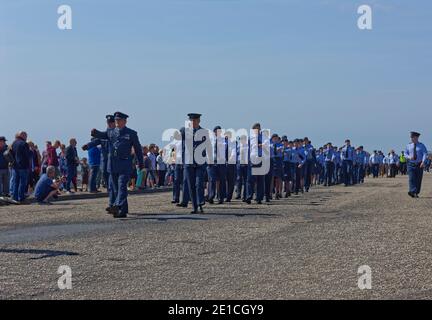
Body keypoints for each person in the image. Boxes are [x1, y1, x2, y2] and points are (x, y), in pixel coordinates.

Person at [89, 112, 144, 218]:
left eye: (119, 120)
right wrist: (95, 133)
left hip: (125, 164)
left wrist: (140, 163)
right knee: (115, 189)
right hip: (112, 165)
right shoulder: (111, 132)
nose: (117, 122)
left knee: (122, 186)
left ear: (125, 121)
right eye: (116, 120)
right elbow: (101, 135)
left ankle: (117, 206)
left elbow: (138, 149)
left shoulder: (131, 133)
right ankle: (122, 211)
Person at [183, 113, 211, 214]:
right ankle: (195, 206)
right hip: (189, 162)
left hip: (200, 162)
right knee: (191, 185)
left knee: (199, 183)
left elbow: (208, 146)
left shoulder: (204, 132)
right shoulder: (185, 132)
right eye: (191, 121)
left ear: (199, 121)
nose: (193, 122)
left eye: (195, 120)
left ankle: (200, 202)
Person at [405, 131, 428, 198]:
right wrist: (409, 157)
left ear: (417, 137)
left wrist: (423, 162)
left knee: (418, 179)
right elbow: (405, 154)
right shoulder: (408, 145)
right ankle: (412, 191)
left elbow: (425, 154)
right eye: (411, 137)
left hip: (419, 164)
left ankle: (416, 192)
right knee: (411, 178)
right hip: (411, 164)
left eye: (413, 137)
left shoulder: (421, 145)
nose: (411, 138)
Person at [10, 131, 31, 203]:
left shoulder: (14, 143)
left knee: (16, 182)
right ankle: (21, 198)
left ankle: (15, 198)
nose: (26, 137)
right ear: (23, 136)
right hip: (23, 166)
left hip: (15, 166)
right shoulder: (24, 144)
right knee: (22, 183)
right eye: (26, 135)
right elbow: (27, 155)